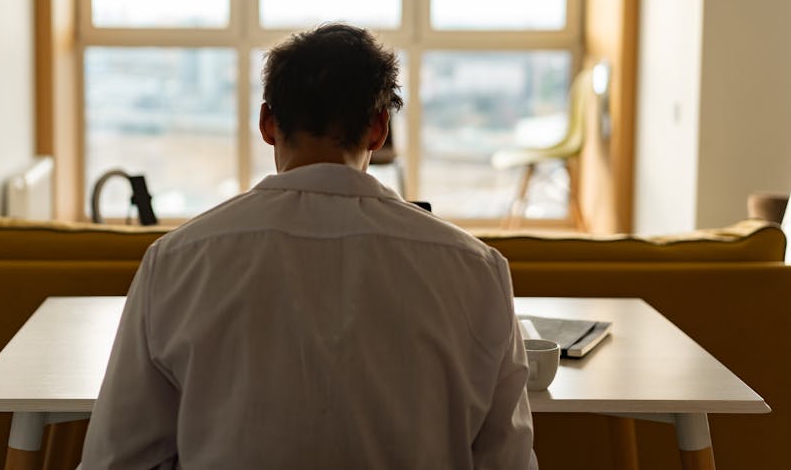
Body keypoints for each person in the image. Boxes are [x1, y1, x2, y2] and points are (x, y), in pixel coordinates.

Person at [79, 24, 537, 469]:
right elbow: (507, 460)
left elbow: (117, 458)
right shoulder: (478, 270)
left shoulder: (177, 261)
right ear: (379, 128)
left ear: (267, 122)